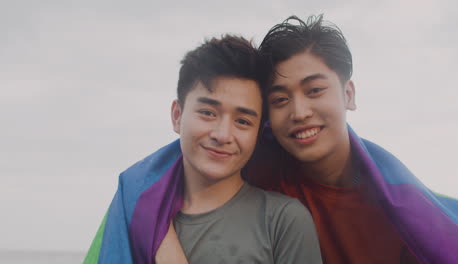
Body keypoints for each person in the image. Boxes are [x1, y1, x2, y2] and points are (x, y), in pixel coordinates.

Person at [87, 15, 458, 264]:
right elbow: (146, 181)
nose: (299, 111)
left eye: (315, 90)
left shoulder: (397, 204)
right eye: (281, 100)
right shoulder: (259, 165)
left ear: (348, 94)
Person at [84, 35, 322, 264]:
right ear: (177, 116)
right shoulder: (135, 211)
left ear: (258, 135)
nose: (222, 135)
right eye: (208, 113)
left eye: (243, 121)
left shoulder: (283, 222)